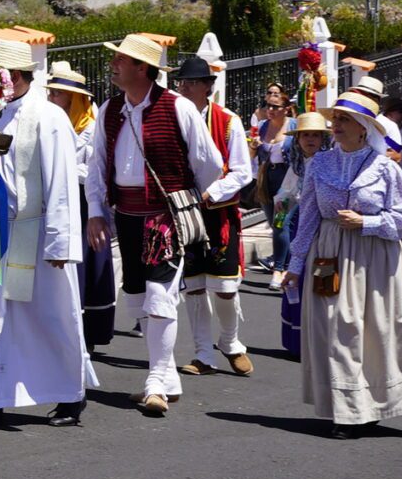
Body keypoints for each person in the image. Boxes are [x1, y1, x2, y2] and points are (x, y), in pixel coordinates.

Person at [84, 34, 227, 417]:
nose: (113, 65)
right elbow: (97, 166)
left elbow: (210, 163)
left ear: (142, 68)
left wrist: (183, 196)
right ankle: (168, 379)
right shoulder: (110, 110)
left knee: (160, 294)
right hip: (126, 216)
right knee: (135, 297)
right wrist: (96, 212)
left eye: (122, 60)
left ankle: (156, 378)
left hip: (164, 216)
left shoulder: (177, 107)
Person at [0, 38, 94, 427]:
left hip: (35, 237)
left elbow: (63, 184)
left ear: (16, 76)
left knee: (51, 318)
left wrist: (60, 243)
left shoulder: (49, 118)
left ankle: (71, 395)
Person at [287, 88, 402, 433]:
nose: (336, 124)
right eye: (335, 118)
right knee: (336, 328)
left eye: (344, 119)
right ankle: (345, 409)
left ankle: (370, 404)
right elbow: (308, 217)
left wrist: (368, 222)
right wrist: (294, 265)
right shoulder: (319, 163)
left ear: (364, 127)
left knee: (374, 331)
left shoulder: (385, 169)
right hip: (329, 252)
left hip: (374, 255)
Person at [172, 53, 256, 378]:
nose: (185, 87)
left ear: (207, 86)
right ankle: (203, 353)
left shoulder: (228, 120)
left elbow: (241, 172)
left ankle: (231, 343)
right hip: (184, 213)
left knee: (224, 286)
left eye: (192, 82)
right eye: (182, 82)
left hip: (218, 215)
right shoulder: (173, 119)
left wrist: (211, 193)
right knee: (193, 285)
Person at [44, 62, 111, 351]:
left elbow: (95, 170)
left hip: (84, 207)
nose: (51, 98)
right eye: (51, 93)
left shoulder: (91, 130)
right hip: (60, 203)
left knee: (86, 268)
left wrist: (65, 169)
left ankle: (85, 336)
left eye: (57, 94)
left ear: (73, 98)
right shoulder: (54, 126)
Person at [270, 111, 332, 357]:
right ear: (297, 139)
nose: (310, 140)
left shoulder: (330, 162)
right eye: (306, 135)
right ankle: (300, 340)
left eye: (316, 135)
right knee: (298, 280)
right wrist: (281, 205)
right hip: (301, 227)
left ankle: (324, 340)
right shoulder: (296, 165)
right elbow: (285, 194)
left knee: (324, 280)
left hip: (326, 230)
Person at [252, 84, 296, 286]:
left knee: (280, 224)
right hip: (266, 179)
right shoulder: (261, 127)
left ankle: (278, 270)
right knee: (275, 224)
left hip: (286, 179)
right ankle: (288, 265)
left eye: (275, 107)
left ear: (286, 108)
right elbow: (252, 155)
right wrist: (255, 147)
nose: (270, 110)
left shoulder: (294, 125)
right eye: (268, 105)